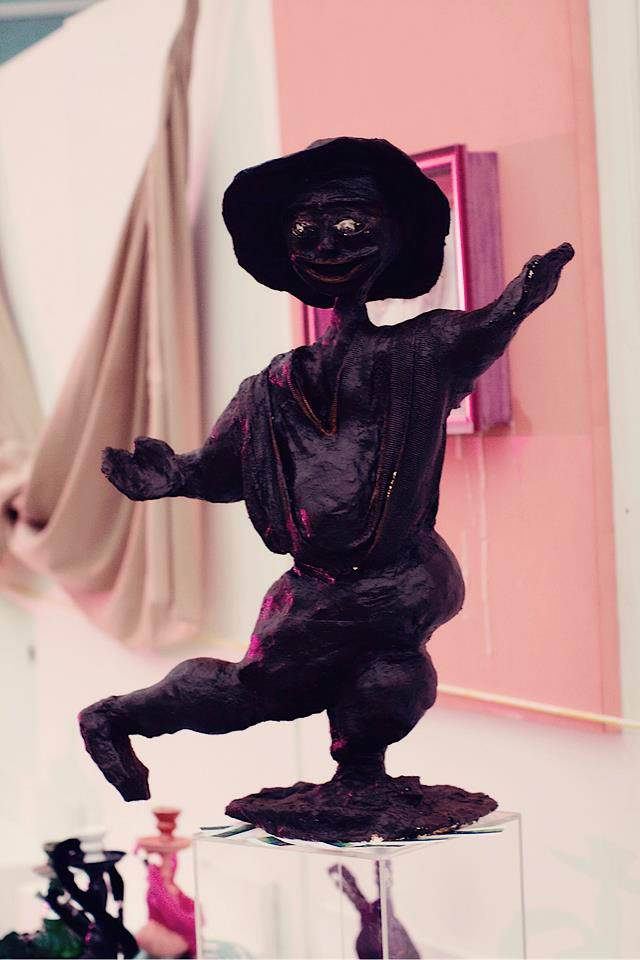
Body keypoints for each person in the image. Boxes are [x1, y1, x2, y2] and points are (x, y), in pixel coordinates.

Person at [80, 137, 574, 839]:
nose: (327, 245)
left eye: (349, 225)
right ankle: (116, 717)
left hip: (405, 575)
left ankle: (362, 777)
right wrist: (175, 477)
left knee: (392, 677)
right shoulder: (271, 386)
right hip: (320, 589)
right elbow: (223, 468)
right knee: (256, 691)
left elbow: (480, 333)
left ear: (392, 235)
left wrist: (518, 302)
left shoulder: (421, 350)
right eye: (305, 230)